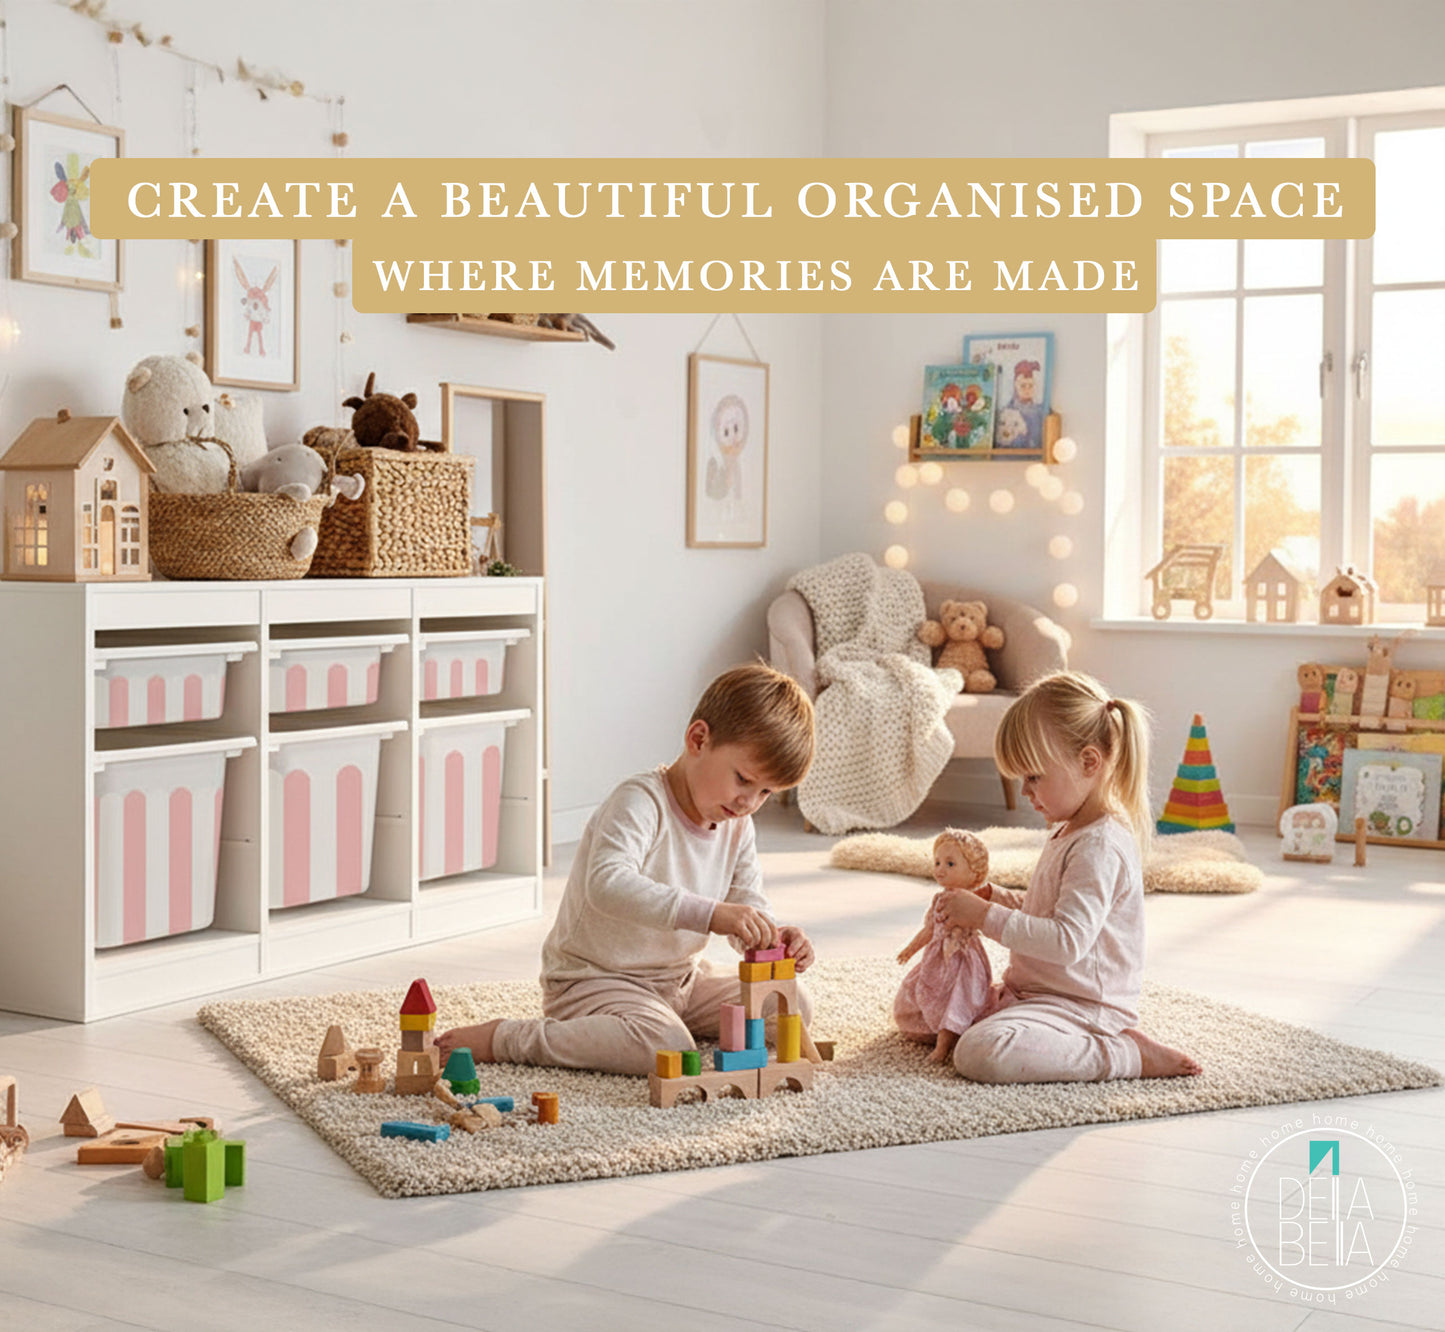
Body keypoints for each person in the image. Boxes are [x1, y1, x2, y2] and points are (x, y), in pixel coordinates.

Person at [437, 663, 817, 1076]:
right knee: (665, 1048)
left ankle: (655, 1019)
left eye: (765, 792)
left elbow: (745, 905)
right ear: (698, 739)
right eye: (743, 779)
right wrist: (713, 915)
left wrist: (770, 938)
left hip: (680, 981)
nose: (749, 802)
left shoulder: (737, 826)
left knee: (794, 1003)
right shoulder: (640, 801)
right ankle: (505, 1038)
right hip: (594, 979)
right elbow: (608, 883)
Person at [933, 671, 1203, 1082]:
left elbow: (1066, 942)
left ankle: (1124, 1053)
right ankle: (1025, 1023)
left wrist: (985, 917)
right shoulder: (1069, 829)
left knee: (979, 1053)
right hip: (1032, 995)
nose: (1025, 792)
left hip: (1080, 1007)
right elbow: (1045, 915)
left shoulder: (1099, 846)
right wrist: (991, 898)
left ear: (1089, 762)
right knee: (922, 1011)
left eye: (1034, 777)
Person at [893, 829, 994, 1064]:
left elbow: (991, 923)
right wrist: (910, 949)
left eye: (950, 864)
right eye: (937, 862)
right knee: (924, 991)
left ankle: (943, 1045)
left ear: (974, 873)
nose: (940, 869)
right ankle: (932, 1029)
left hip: (962, 961)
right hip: (936, 960)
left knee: (957, 998)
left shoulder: (973, 900)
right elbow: (930, 929)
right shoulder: (938, 900)